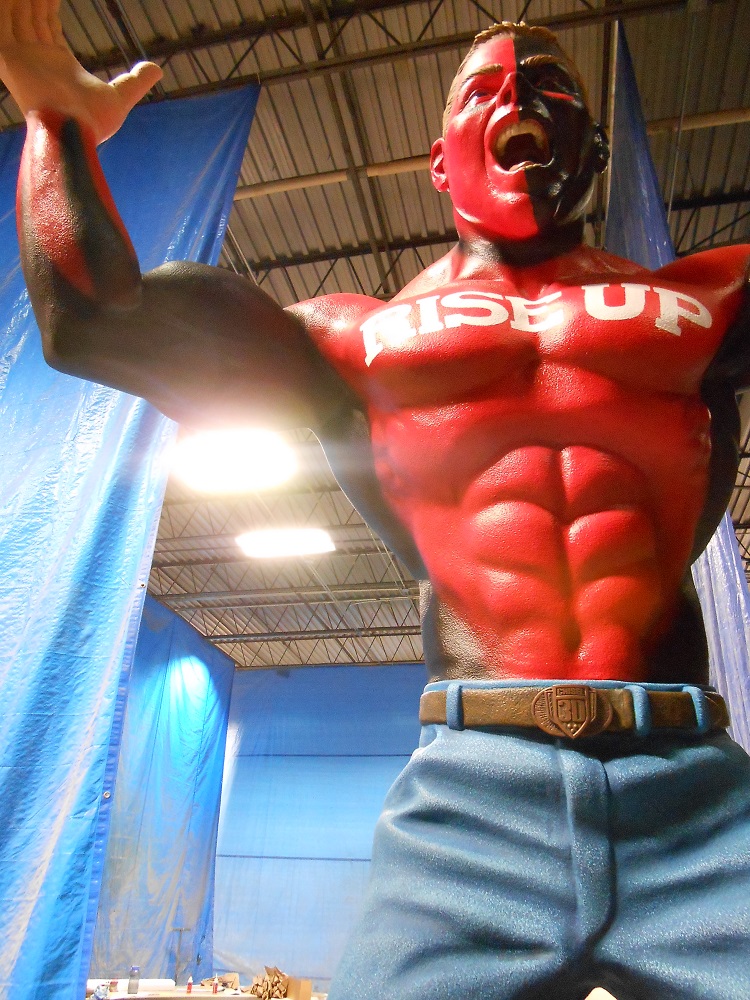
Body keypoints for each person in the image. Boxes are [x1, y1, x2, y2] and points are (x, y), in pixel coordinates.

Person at [2, 3, 750, 997]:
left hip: (695, 793)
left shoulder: (705, 299)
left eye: (547, 85)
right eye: (482, 91)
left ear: (593, 145)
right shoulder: (356, 338)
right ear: (441, 162)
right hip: (475, 797)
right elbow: (97, 317)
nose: (517, 97)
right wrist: (56, 123)